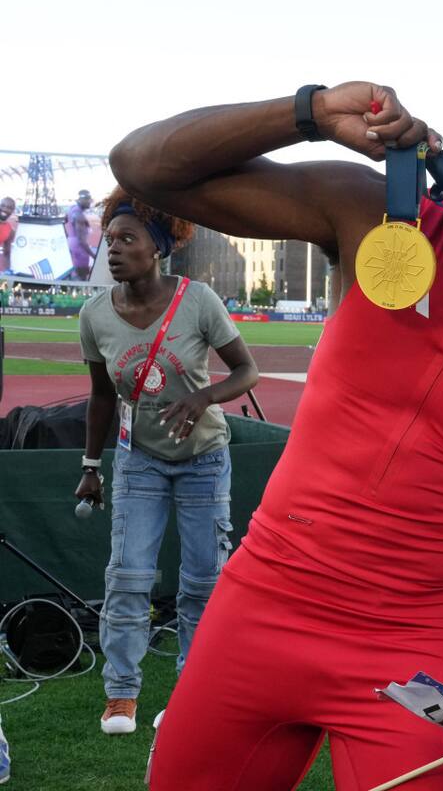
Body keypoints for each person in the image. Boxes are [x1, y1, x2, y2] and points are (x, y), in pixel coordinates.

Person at [111, 50, 443, 790]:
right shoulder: (379, 216)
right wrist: (311, 112)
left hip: (408, 644)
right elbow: (142, 166)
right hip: (259, 605)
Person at [74, 188, 259, 735]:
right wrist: (90, 465)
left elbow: (246, 371)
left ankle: (191, 693)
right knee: (127, 577)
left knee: (202, 583)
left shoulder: (198, 299)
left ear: (156, 249)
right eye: (109, 240)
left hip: (204, 458)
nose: (114, 250)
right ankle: (121, 695)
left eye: (127, 239)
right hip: (139, 461)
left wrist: (203, 398)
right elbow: (102, 397)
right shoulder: (94, 315)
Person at [66, 190, 94, 281]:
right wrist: (94, 255)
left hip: (73, 248)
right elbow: (82, 240)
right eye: (88, 199)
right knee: (82, 280)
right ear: (82, 200)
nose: (90, 202)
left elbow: (65, 221)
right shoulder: (79, 215)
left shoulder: (72, 209)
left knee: (76, 276)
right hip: (80, 252)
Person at [0, 197, 16, 274]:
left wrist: (8, 270)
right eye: (2, 205)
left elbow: (6, 253)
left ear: (12, 211)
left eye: (9, 208)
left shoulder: (10, 230)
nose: (5, 209)